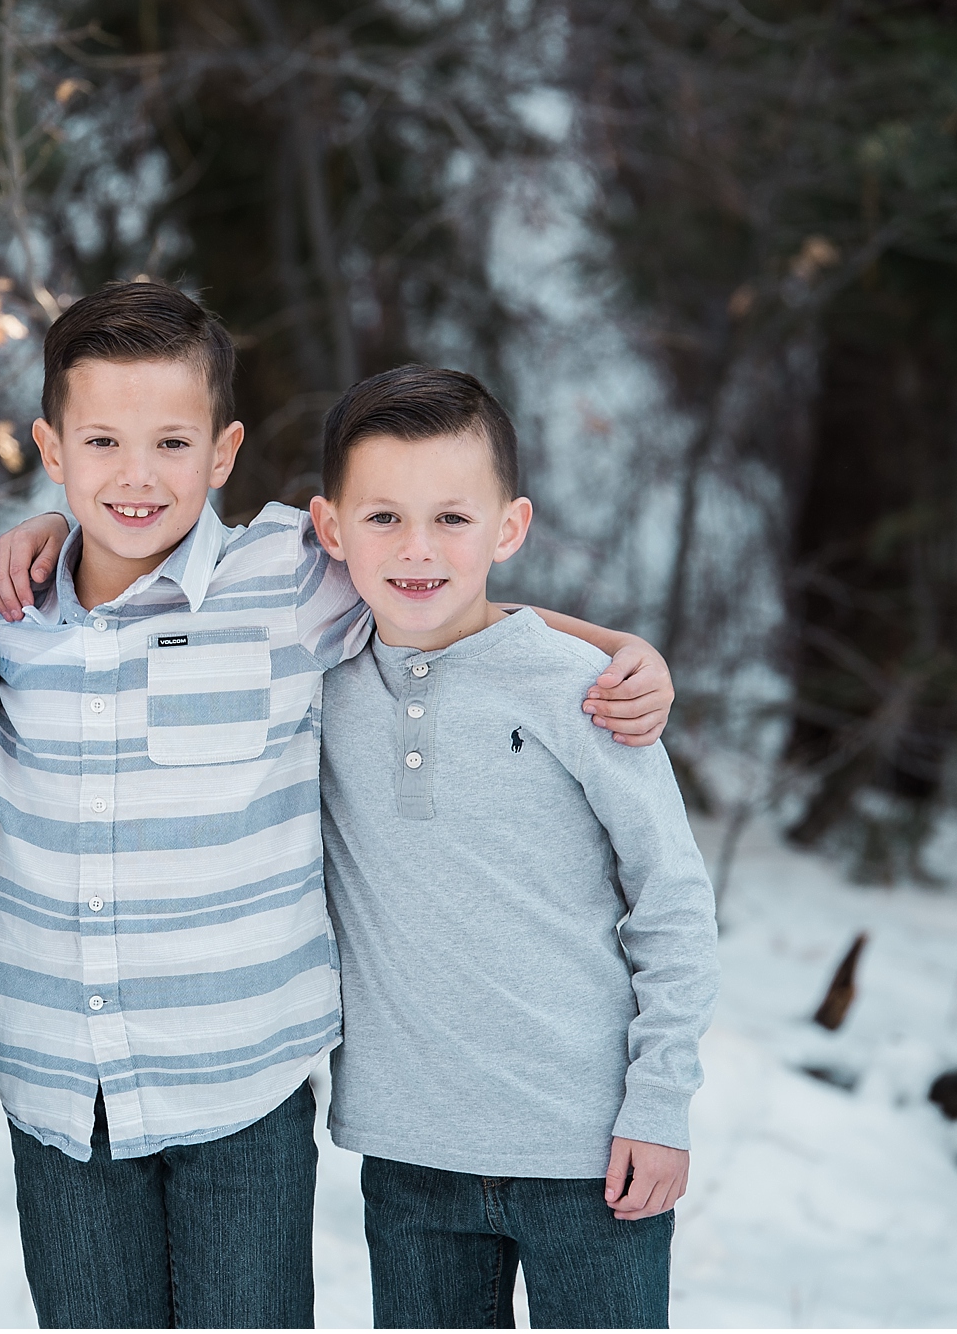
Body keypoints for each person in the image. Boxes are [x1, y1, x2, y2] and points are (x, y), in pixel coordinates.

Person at [0, 283, 678, 1328]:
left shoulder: (290, 577)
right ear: (52, 445)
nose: (134, 473)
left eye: (170, 441)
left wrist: (619, 651)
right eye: (101, 441)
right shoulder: (5, 610)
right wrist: (24, 531)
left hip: (240, 1089)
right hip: (61, 1093)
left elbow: (447, 589)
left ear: (222, 452)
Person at [307, 364, 720, 1329]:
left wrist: (658, 1106)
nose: (417, 548)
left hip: (587, 1156)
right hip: (408, 1155)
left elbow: (672, 902)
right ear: (331, 530)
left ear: (510, 527)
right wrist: (45, 534)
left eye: (453, 519)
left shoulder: (582, 689)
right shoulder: (315, 682)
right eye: (382, 519)